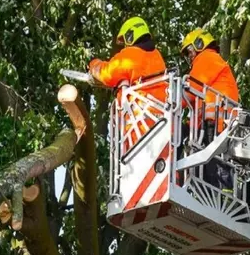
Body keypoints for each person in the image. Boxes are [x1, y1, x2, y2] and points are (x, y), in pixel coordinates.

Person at [89, 17, 168, 153]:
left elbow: (107, 73)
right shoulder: (157, 56)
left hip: (139, 125)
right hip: (162, 123)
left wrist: (93, 65)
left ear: (130, 36)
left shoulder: (130, 55)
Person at [180, 28, 239, 193]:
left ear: (199, 44)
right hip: (217, 123)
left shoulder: (207, 58)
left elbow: (190, 90)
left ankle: (219, 195)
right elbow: (199, 103)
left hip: (217, 123)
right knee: (213, 164)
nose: (189, 56)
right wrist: (187, 125)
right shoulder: (214, 61)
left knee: (215, 164)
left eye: (189, 51)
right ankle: (216, 194)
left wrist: (167, 100)